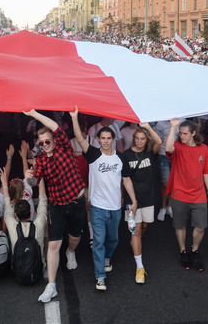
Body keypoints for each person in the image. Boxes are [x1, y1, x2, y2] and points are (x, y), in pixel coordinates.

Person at [27, 108, 86, 303]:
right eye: (41, 143)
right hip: (56, 205)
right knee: (53, 243)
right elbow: (35, 181)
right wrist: (30, 178)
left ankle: (71, 252)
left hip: (76, 200)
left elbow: (54, 126)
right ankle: (51, 285)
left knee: (75, 237)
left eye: (47, 141)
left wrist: (34, 114)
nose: (44, 145)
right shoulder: (41, 160)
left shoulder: (64, 147)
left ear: (54, 139)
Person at [72, 109, 123, 292]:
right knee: (99, 241)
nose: (106, 141)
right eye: (103, 138)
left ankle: (107, 257)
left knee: (113, 239)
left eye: (109, 138)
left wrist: (127, 198)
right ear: (98, 140)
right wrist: (74, 118)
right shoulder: (93, 154)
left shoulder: (120, 159)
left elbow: (123, 181)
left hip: (115, 207)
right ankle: (100, 276)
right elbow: (79, 138)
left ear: (113, 139)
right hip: (97, 207)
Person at [164, 117, 208, 272]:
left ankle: (194, 250)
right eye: (180, 133)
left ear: (193, 133)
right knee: (180, 225)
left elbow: (207, 172)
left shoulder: (204, 149)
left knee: (200, 227)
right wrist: (173, 128)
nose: (182, 136)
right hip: (179, 194)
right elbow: (167, 148)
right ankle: (182, 251)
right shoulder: (178, 147)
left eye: (185, 133)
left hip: (198, 195)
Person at [121, 124, 163, 284]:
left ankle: (135, 241)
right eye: (137, 138)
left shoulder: (149, 153)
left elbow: (159, 141)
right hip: (133, 200)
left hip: (149, 198)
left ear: (146, 140)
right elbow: (125, 178)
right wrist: (128, 199)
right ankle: (139, 266)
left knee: (144, 226)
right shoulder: (126, 155)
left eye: (142, 139)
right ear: (134, 139)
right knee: (136, 231)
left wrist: (147, 127)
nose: (139, 141)